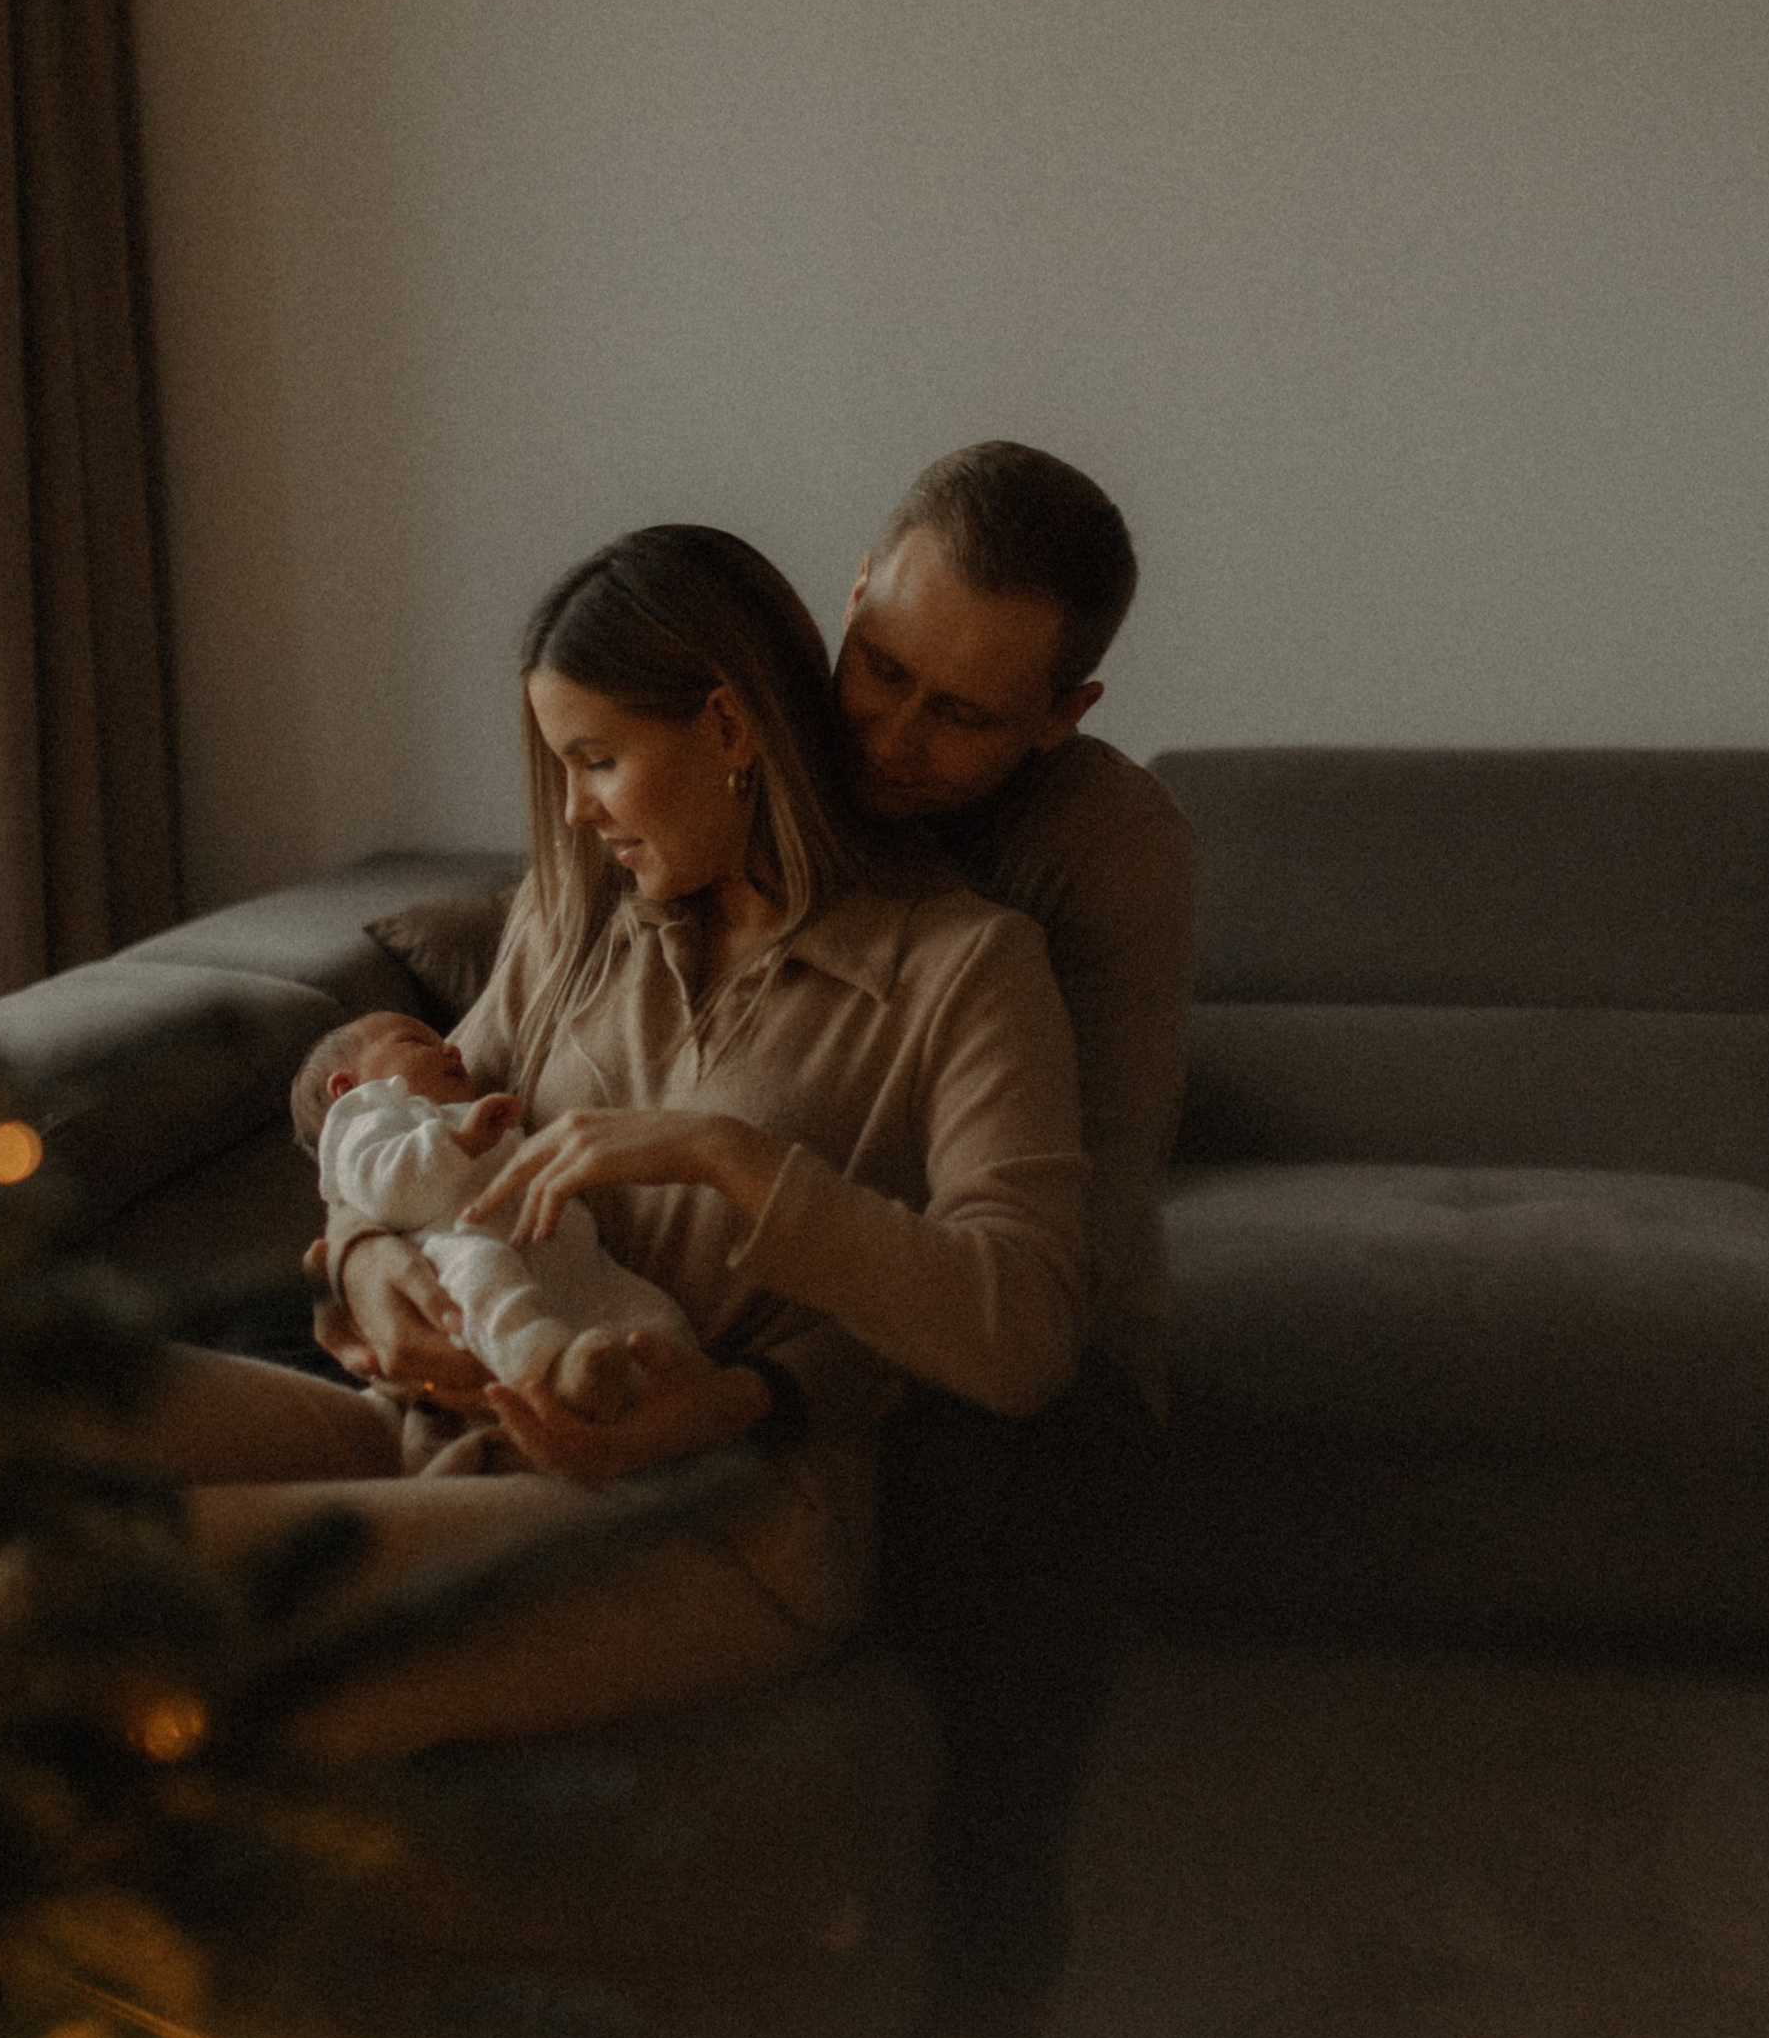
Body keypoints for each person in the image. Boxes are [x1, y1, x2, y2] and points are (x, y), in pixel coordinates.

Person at [142, 525, 1089, 1762]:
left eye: (597, 761)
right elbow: (398, 1123)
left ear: (731, 731)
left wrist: (724, 1158)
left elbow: (1024, 1328)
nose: (578, 812)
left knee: (84, 1604)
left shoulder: (964, 968)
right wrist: (370, 1257)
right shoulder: (574, 918)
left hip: (727, 1511)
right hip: (451, 1426)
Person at [835, 443, 1197, 2038]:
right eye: (877, 669)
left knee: (1026, 1509)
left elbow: (1078, 1238)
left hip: (1015, 1327)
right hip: (747, 1288)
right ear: (851, 595)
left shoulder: (1104, 843)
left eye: (962, 716)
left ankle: (992, 1995)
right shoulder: (767, 731)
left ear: (1063, 711)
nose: (890, 741)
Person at [292, 1005, 693, 1420]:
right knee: (484, 1275)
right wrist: (459, 1143)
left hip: (560, 1254)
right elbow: (387, 1190)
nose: (453, 1050)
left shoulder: (453, 1111)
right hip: (454, 1248)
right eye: (416, 1042)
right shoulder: (367, 1122)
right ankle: (547, 1373)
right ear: (346, 1087)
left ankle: (661, 1380)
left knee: (637, 1306)